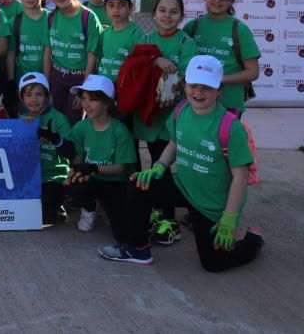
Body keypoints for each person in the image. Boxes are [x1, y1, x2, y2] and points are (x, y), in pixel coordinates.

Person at [100, 56, 264, 269]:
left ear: (219, 90)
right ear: (184, 85)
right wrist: (159, 166)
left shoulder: (231, 127)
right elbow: (174, 143)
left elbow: (240, 178)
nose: (198, 92)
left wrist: (230, 218)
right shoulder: (182, 110)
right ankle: (137, 248)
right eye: (194, 85)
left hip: (211, 204)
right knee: (138, 185)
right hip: (183, 186)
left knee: (214, 264)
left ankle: (253, 241)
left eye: (207, 87)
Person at [136, 0, 197, 245]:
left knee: (165, 166)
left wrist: (163, 65)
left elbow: (184, 74)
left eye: (174, 11)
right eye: (162, 10)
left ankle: (170, 222)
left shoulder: (186, 42)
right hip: (150, 114)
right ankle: (158, 214)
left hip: (173, 114)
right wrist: (155, 58)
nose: (167, 15)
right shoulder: (147, 39)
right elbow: (137, 65)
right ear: (154, 15)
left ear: (181, 17)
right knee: (153, 161)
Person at [52, 75, 136, 234]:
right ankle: (90, 207)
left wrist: (92, 168)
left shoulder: (120, 131)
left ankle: (105, 207)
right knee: (72, 183)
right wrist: (78, 169)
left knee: (121, 230)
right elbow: (77, 156)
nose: (86, 105)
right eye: (83, 99)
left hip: (115, 184)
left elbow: (119, 169)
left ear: (106, 103)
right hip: (91, 179)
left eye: (92, 100)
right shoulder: (81, 127)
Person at [182, 0, 260, 117]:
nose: (217, 0)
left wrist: (216, 79)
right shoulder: (192, 27)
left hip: (228, 103)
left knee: (224, 140)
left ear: (232, 0)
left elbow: (253, 72)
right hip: (196, 103)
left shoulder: (240, 30)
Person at [43, 0, 101, 125]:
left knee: (74, 125)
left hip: (79, 80)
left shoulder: (88, 17)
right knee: (58, 123)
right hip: (56, 79)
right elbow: (48, 54)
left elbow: (92, 58)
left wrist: (83, 91)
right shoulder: (50, 17)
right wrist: (46, 85)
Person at [18, 73, 72, 225]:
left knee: (44, 217)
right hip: (27, 178)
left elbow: (70, 151)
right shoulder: (21, 120)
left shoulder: (59, 118)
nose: (33, 99)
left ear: (47, 96)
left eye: (39, 94)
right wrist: (23, 129)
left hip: (53, 177)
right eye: (28, 95)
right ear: (22, 98)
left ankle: (58, 205)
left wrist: (54, 138)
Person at [7, 0, 49, 105]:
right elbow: (11, 53)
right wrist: (11, 80)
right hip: (24, 82)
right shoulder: (14, 21)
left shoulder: (53, 19)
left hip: (49, 81)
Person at [96, 0, 143, 85]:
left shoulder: (136, 34)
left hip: (125, 85)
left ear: (130, 7)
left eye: (122, 5)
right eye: (111, 5)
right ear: (105, 8)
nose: (116, 10)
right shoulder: (105, 33)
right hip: (104, 85)